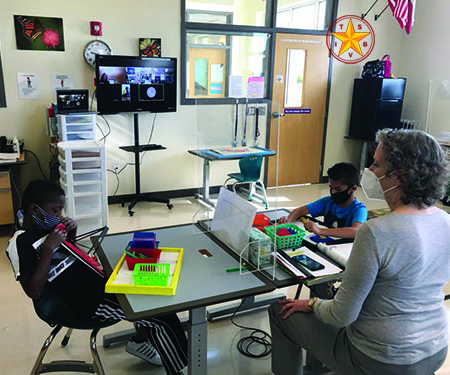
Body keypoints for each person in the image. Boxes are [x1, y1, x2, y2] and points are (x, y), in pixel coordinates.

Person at [269, 128, 450, 375]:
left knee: (280, 312)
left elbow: (340, 315)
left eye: (376, 164)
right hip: (435, 350)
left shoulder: (375, 231)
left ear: (398, 176)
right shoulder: (445, 221)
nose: (370, 171)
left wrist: (312, 302)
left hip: (379, 359)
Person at [6, 180, 188, 375]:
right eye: (56, 211)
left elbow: (69, 255)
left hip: (97, 283)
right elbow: (33, 290)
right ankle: (183, 368)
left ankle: (140, 342)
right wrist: (49, 248)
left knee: (148, 291)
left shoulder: (48, 228)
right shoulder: (20, 242)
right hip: (89, 302)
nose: (60, 216)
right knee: (161, 316)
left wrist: (71, 232)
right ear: (34, 209)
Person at [279, 162, 367, 239]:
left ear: (353, 188)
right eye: (330, 188)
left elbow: (355, 231)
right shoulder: (328, 202)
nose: (333, 192)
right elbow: (301, 210)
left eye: (338, 189)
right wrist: (287, 221)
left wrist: (320, 230)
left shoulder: (359, 209)